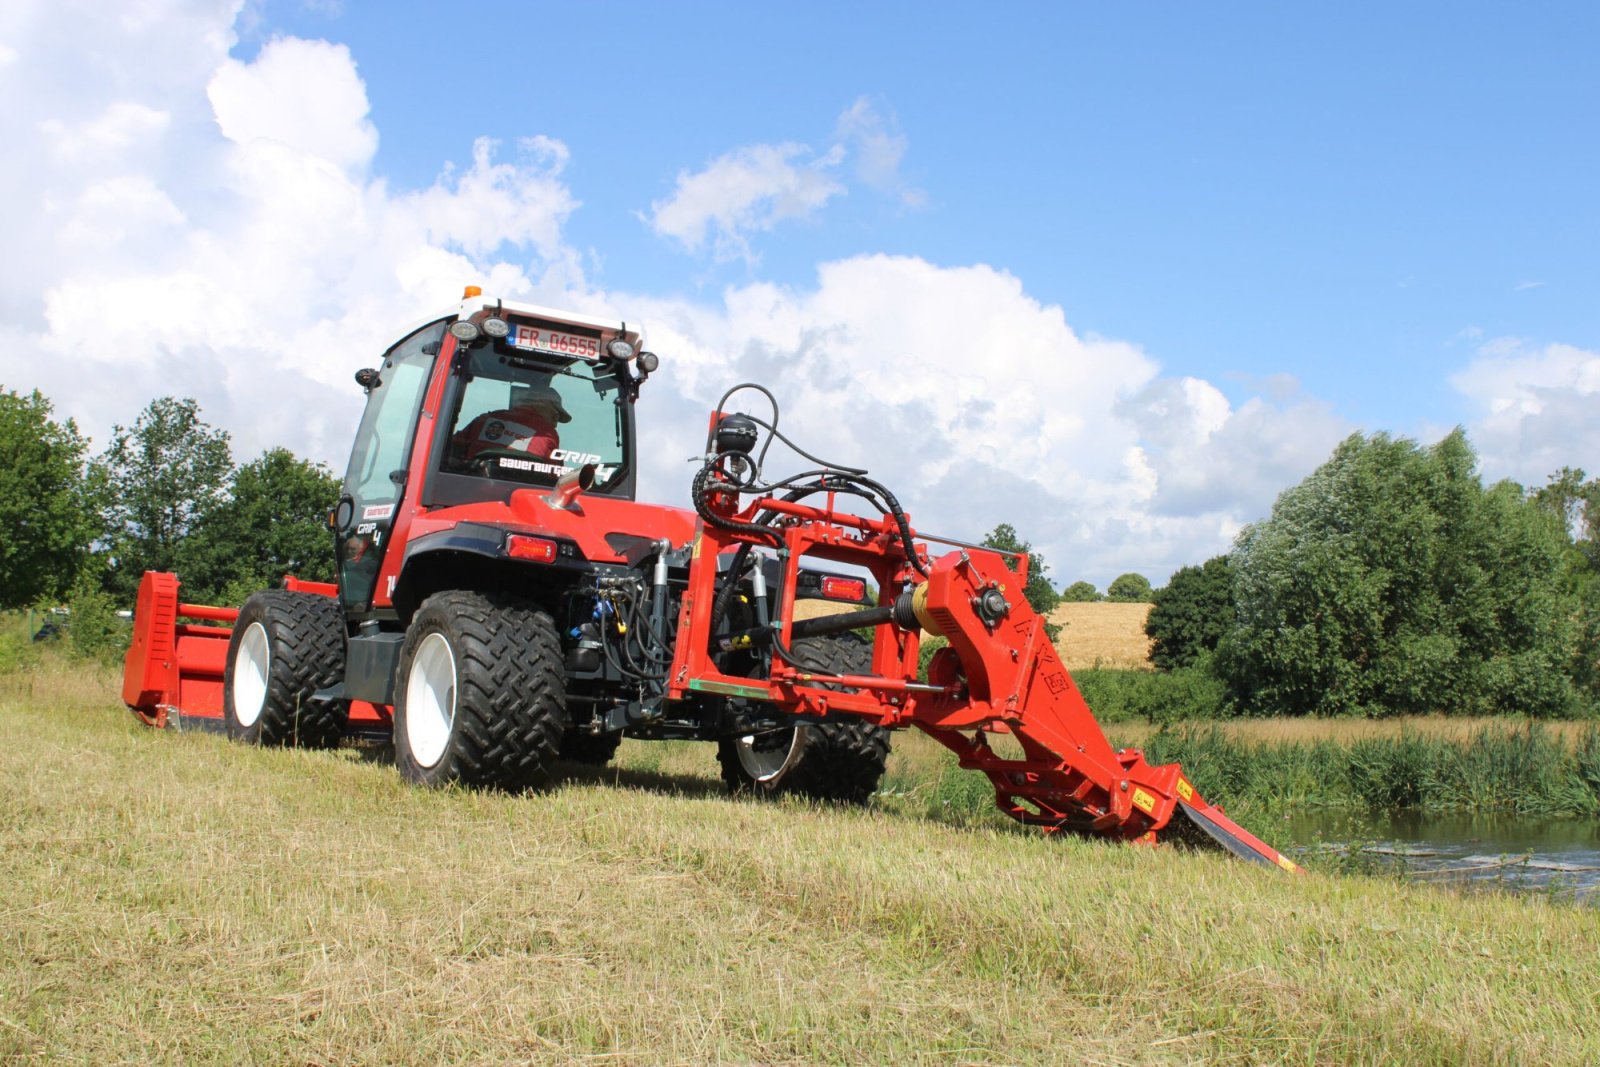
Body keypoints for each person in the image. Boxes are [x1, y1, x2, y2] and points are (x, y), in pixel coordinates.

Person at [453, 382, 571, 464]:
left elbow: (451, 449)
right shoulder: (547, 434)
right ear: (540, 403)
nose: (555, 424)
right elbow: (554, 476)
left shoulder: (484, 420)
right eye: (555, 416)